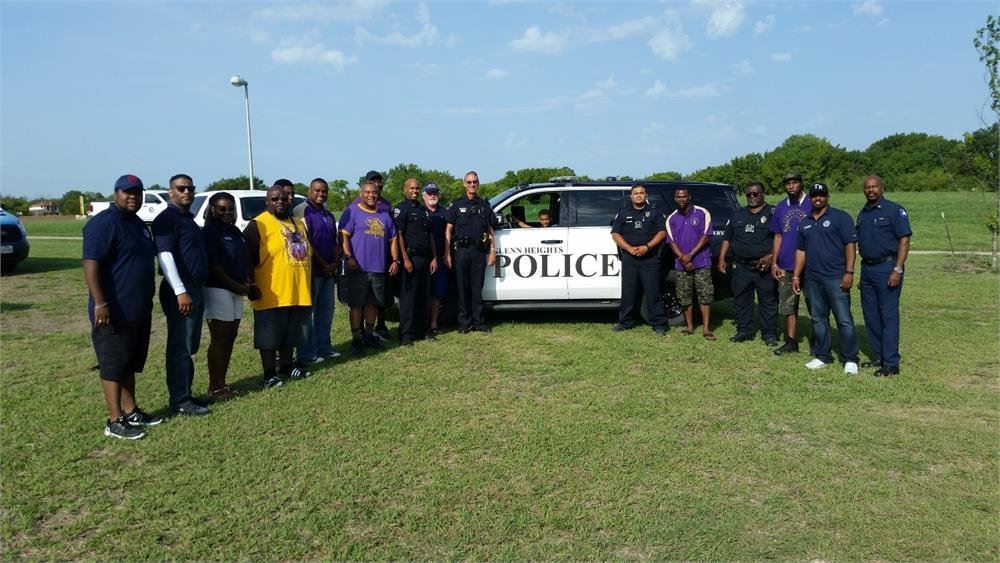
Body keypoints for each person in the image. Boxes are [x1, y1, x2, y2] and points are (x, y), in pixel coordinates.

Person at [83, 174, 161, 439]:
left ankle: (131, 411)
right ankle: (114, 420)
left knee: (128, 363)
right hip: (112, 310)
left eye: (137, 193)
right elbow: (91, 263)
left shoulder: (138, 223)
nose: (133, 197)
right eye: (127, 192)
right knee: (113, 364)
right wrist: (100, 302)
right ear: (116, 193)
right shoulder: (103, 224)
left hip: (137, 307)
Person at [244, 184, 312, 388]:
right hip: (271, 290)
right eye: (275, 199)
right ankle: (269, 374)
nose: (280, 202)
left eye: (283, 198)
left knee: (290, 333)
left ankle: (287, 366)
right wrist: (251, 283)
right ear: (267, 201)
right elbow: (247, 257)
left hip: (297, 289)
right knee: (269, 336)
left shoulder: (298, 224)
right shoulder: (258, 224)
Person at [152, 173, 210, 416]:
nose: (187, 192)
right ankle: (180, 399)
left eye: (190, 188)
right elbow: (165, 256)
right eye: (181, 188)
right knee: (180, 347)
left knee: (189, 345)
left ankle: (185, 392)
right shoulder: (167, 219)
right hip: (181, 291)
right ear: (170, 192)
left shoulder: (187, 218)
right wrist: (180, 290)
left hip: (195, 288)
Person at [791, 182, 860, 374]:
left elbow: (850, 245)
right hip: (813, 278)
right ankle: (823, 355)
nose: (818, 198)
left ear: (827, 197)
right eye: (814, 196)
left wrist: (849, 272)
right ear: (810, 198)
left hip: (836, 277)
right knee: (819, 319)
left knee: (844, 319)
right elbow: (801, 251)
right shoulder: (805, 221)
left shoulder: (840, 217)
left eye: (821, 195)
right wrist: (796, 275)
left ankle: (851, 358)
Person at [856, 175, 911, 377]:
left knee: (888, 315)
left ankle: (891, 363)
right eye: (867, 187)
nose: (871, 190)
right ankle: (879, 356)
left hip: (888, 267)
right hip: (868, 269)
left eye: (874, 187)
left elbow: (904, 240)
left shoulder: (894, 210)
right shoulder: (863, 213)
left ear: (882, 188)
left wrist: (897, 269)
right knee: (871, 315)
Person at [340, 180, 400, 354]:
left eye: (374, 192)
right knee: (357, 304)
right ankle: (356, 338)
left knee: (372, 304)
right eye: (367, 192)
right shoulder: (352, 212)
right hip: (358, 267)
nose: (371, 195)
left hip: (378, 267)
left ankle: (369, 334)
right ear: (361, 194)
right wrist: (348, 256)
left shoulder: (384, 215)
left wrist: (395, 260)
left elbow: (393, 239)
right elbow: (343, 236)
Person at [202, 192, 250, 401]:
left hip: (237, 289)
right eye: (222, 209)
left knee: (230, 336)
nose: (227, 213)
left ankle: (222, 383)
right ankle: (215, 387)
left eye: (230, 209)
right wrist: (234, 285)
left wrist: (245, 283)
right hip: (218, 289)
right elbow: (214, 266)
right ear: (212, 209)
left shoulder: (234, 230)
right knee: (220, 337)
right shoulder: (210, 232)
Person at [717, 182, 778, 345]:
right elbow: (727, 238)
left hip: (763, 267)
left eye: (756, 194)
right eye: (749, 194)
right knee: (741, 300)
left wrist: (772, 256)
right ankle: (744, 330)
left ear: (763, 194)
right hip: (741, 265)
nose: (752, 197)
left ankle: (769, 334)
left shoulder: (773, 213)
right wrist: (722, 258)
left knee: (768, 301)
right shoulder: (737, 214)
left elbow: (781, 238)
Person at [293, 178, 341, 363]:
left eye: (324, 191)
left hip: (329, 272)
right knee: (308, 314)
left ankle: (324, 347)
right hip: (312, 271)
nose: (321, 194)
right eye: (317, 191)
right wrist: (323, 264)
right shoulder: (302, 211)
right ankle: (306, 352)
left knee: (326, 312)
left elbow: (335, 242)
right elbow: (306, 243)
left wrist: (334, 263)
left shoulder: (328, 214)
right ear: (309, 190)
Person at [610, 184, 668, 335]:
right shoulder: (623, 213)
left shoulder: (655, 212)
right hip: (630, 258)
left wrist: (647, 247)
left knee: (653, 292)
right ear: (631, 196)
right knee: (628, 292)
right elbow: (615, 234)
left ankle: (659, 324)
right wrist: (629, 248)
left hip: (650, 257)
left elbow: (662, 233)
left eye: (641, 193)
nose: (638, 195)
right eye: (635, 193)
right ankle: (625, 322)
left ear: (646, 195)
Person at [444, 171, 497, 333]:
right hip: (461, 252)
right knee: (462, 288)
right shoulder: (456, 205)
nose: (472, 184)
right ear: (464, 184)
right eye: (469, 182)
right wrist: (447, 254)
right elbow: (448, 229)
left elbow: (490, 230)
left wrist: (492, 250)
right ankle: (464, 323)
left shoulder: (484, 205)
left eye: (474, 182)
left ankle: (478, 322)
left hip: (479, 252)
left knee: (477, 288)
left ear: (478, 183)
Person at [770, 172, 811, 355]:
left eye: (794, 183)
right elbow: (778, 236)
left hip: (810, 264)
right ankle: (791, 341)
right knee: (788, 305)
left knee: (815, 305)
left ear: (801, 184)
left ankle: (818, 341)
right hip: (786, 263)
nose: (791, 186)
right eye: (788, 184)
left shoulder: (812, 203)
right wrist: (774, 262)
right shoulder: (780, 207)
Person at [666, 187, 715, 340]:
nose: (681, 199)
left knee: (705, 295)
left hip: (701, 261)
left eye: (684, 196)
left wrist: (691, 255)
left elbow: (706, 236)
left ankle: (706, 328)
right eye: (678, 197)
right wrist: (683, 258)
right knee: (684, 296)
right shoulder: (671, 219)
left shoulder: (702, 213)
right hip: (682, 264)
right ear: (675, 198)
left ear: (689, 197)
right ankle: (689, 326)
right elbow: (671, 242)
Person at [394, 177, 438, 345]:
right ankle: (406, 335)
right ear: (405, 190)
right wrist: (404, 259)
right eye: (411, 188)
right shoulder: (401, 209)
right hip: (410, 258)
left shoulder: (423, 209)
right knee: (408, 298)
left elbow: (430, 235)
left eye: (417, 188)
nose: (414, 191)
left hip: (424, 258)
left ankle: (422, 331)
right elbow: (398, 236)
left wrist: (434, 257)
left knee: (423, 296)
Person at [423, 182, 449, 336]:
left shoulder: (445, 213)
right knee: (424, 293)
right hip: (422, 259)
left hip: (440, 258)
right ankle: (423, 323)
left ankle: (434, 323)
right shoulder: (419, 211)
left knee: (437, 294)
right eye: (429, 193)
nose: (433, 196)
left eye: (435, 193)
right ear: (424, 196)